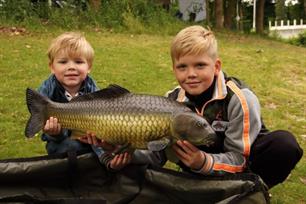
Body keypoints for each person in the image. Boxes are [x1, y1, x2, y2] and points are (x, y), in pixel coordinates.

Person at [87, 25, 303, 188]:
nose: (191, 74)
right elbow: (157, 154)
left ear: (216, 66)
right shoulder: (171, 100)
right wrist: (121, 149)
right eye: (182, 67)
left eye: (200, 65)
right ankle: (204, 187)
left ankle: (251, 190)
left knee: (284, 145)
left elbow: (239, 157)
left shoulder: (240, 99)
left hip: (245, 159)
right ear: (174, 69)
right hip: (197, 163)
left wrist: (204, 162)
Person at [37, 32, 132, 170]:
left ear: (89, 67)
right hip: (59, 140)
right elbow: (40, 115)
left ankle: (107, 163)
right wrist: (53, 132)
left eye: (78, 62)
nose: (71, 67)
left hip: (88, 135)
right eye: (63, 62)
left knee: (99, 133)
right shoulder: (47, 89)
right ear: (52, 67)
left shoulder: (93, 90)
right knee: (67, 146)